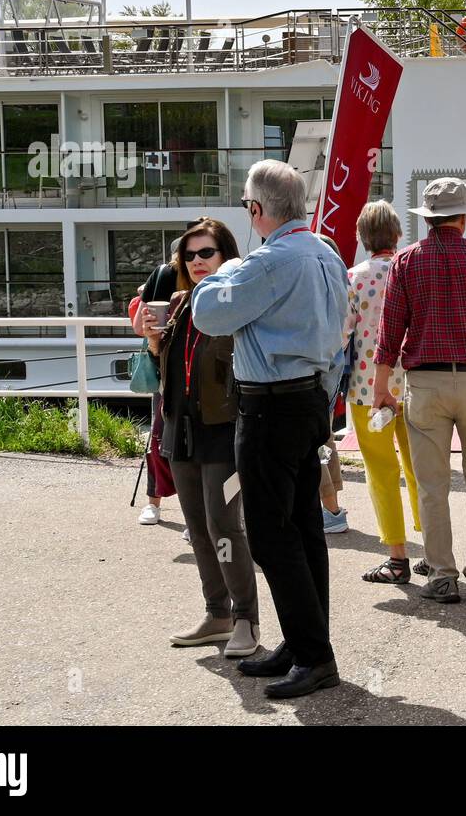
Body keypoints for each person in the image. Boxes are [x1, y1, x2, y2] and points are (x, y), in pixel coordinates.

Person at [191, 160, 350, 699]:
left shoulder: (269, 261)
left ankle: (313, 654)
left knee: (269, 533)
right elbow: (339, 337)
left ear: (257, 211)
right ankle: (305, 642)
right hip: (308, 399)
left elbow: (208, 313)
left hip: (270, 407)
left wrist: (221, 273)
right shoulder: (325, 252)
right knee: (303, 527)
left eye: (245, 206)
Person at [373, 178, 466, 604]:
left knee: (431, 484)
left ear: (428, 217)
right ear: (465, 215)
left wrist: (382, 388)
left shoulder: (406, 261)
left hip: (425, 383)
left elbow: (389, 331)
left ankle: (441, 575)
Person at [144, 218, 259, 658]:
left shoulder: (236, 302)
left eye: (205, 253)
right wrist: (153, 340)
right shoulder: (177, 302)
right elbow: (165, 367)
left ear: (226, 256)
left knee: (224, 524)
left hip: (223, 430)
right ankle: (217, 613)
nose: (195, 262)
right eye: (188, 255)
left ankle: (246, 618)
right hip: (181, 429)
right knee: (198, 528)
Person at [341, 201, 428, 585]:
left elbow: (341, 334)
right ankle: (434, 549)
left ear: (362, 238)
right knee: (421, 468)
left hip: (366, 389)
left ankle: (397, 556)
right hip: (416, 385)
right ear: (397, 236)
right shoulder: (412, 271)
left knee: (382, 472)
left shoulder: (353, 277)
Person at [131, 252, 181, 526]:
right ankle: (153, 501)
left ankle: (198, 514)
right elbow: (139, 326)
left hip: (207, 374)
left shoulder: (217, 277)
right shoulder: (164, 275)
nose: (196, 259)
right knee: (159, 438)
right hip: (166, 368)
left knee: (202, 447)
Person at [314, 233, 349, 535]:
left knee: (317, 444)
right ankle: (333, 508)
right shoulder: (339, 288)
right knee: (324, 442)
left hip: (316, 375)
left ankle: (332, 510)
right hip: (332, 372)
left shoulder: (318, 291)